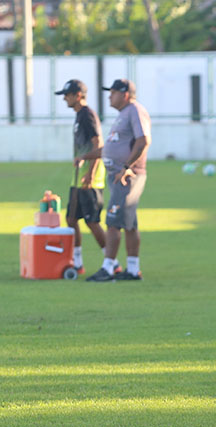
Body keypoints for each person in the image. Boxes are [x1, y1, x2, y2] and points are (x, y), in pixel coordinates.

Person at [79, 79, 151, 282]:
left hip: (127, 176)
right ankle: (133, 269)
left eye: (113, 93)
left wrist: (127, 168)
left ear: (125, 94)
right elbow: (111, 147)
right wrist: (86, 156)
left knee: (113, 221)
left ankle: (108, 269)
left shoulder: (135, 110)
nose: (109, 96)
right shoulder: (123, 114)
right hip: (118, 175)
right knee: (129, 224)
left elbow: (143, 141)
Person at [55, 79, 109, 275]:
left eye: (67, 95)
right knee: (71, 218)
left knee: (92, 221)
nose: (64, 99)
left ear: (78, 95)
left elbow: (98, 144)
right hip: (78, 177)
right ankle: (77, 263)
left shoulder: (87, 115)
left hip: (89, 177)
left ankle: (111, 262)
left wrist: (91, 172)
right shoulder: (79, 116)